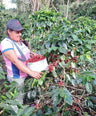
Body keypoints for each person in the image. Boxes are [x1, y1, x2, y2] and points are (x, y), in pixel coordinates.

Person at [0, 19, 43, 105]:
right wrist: (32, 72)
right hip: (17, 77)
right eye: (17, 32)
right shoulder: (6, 43)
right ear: (9, 31)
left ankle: (33, 108)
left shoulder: (20, 42)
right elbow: (15, 61)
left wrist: (37, 56)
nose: (20, 34)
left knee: (31, 95)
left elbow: (27, 53)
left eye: (20, 32)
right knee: (18, 100)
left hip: (26, 73)